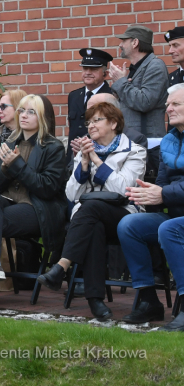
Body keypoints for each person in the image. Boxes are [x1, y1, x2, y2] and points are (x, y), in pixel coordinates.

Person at [39, 101, 147, 320]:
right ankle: (96, 301)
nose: (90, 126)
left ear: (114, 123)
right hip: (91, 218)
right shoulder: (84, 153)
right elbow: (71, 194)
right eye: (88, 122)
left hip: (125, 214)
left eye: (97, 120)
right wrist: (85, 164)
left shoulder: (135, 151)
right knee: (93, 223)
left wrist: (96, 160)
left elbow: (124, 190)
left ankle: (62, 265)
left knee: (92, 207)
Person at [0, 94, 67, 312]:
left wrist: (18, 166)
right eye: (22, 110)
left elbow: (47, 188)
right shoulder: (8, 143)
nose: (24, 115)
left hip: (37, 208)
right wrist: (3, 169)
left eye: (31, 111)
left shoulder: (54, 147)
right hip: (7, 204)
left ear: (43, 117)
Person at [117, 85, 184, 330]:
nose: (168, 108)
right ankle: (148, 300)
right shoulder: (168, 140)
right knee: (129, 224)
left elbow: (165, 190)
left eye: (175, 104)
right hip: (175, 212)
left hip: (176, 220)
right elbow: (164, 183)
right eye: (168, 104)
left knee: (170, 229)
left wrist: (163, 194)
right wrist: (150, 192)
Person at [109, 25, 169, 138]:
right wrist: (118, 91)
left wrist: (120, 81)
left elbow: (145, 102)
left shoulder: (155, 66)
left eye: (123, 40)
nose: (120, 45)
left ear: (135, 42)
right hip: (132, 139)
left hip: (148, 142)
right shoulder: (135, 68)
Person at [67, 48, 114, 144]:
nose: (88, 72)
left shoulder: (111, 96)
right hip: (74, 155)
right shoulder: (74, 96)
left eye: (94, 69)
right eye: (85, 68)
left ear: (105, 73)